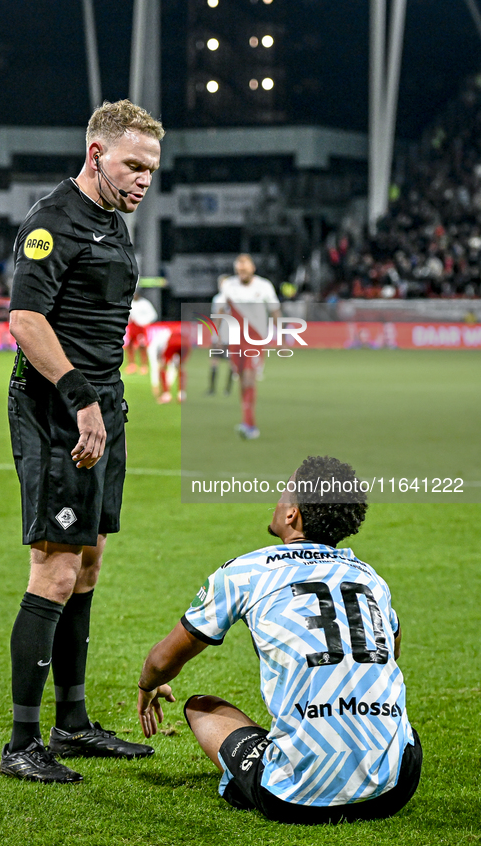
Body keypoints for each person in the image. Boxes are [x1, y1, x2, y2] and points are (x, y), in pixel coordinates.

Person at [0, 99, 165, 783]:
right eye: (133, 164)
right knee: (56, 569)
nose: (143, 180)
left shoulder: (112, 222)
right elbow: (26, 321)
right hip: (58, 411)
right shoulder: (52, 221)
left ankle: (71, 723)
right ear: (95, 152)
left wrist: (106, 403)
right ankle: (21, 742)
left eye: (152, 169)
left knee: (90, 563)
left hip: (104, 408)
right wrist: (81, 400)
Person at [137, 456, 422, 824]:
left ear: (293, 515)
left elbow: (162, 661)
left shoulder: (245, 572)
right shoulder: (371, 579)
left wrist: (149, 685)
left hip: (293, 798)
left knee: (200, 706)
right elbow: (391, 654)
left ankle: (292, 760)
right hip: (394, 789)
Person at [218, 255, 280, 439]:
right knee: (241, 380)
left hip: (255, 339)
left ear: (253, 268)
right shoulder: (229, 285)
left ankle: (249, 425)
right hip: (234, 340)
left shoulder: (264, 286)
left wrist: (282, 335)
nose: (242, 272)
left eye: (245, 269)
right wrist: (217, 335)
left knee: (249, 379)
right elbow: (220, 310)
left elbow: (275, 310)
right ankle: (247, 420)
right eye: (239, 270)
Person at [146, 321, 190, 403]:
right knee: (181, 367)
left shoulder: (154, 345)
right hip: (185, 342)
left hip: (173, 342)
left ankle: (166, 395)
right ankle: (181, 395)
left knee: (162, 367)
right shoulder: (166, 334)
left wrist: (155, 384)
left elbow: (154, 363)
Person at [124, 288, 158, 374]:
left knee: (142, 346)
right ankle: (132, 364)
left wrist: (145, 322)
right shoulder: (130, 303)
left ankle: (144, 365)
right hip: (132, 327)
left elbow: (153, 315)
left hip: (141, 327)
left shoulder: (145, 303)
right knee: (130, 345)